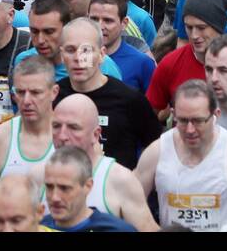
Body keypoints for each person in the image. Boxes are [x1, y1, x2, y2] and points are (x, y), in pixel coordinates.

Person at [135, 79, 227, 231]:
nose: (190, 129)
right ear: (173, 115)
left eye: (198, 121)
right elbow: (132, 201)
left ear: (216, 115)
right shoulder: (157, 151)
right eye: (183, 120)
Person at [54, 18, 160, 165]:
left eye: (86, 50)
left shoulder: (130, 100)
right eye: (70, 50)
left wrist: (137, 180)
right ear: (61, 55)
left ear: (102, 54)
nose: (79, 58)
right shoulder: (53, 97)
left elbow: (156, 148)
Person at [49, 94, 159, 231]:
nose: (62, 136)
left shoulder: (120, 179)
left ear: (95, 135)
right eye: (56, 126)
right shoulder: (37, 175)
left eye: (73, 127)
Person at [0, 55, 56, 183]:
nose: (26, 101)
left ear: (54, 92)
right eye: (20, 92)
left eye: (35, 93)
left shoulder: (72, 136)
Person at [40, 146, 136, 232]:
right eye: (49, 187)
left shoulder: (116, 229)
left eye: (64, 188)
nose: (55, 197)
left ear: (88, 186)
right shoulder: (36, 227)